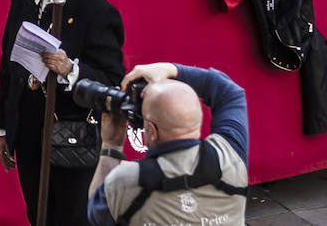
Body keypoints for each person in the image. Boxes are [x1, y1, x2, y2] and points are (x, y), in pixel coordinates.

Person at [0, 0, 125, 226]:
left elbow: (111, 83)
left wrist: (70, 69)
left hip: (72, 135)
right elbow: (7, 65)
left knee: (70, 217)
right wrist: (3, 128)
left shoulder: (98, 11)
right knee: (37, 214)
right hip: (27, 131)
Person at [87, 62, 249, 225]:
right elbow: (229, 92)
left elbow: (96, 213)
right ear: (197, 117)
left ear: (151, 130)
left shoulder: (124, 181)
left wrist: (111, 146)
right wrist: (171, 70)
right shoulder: (230, 157)